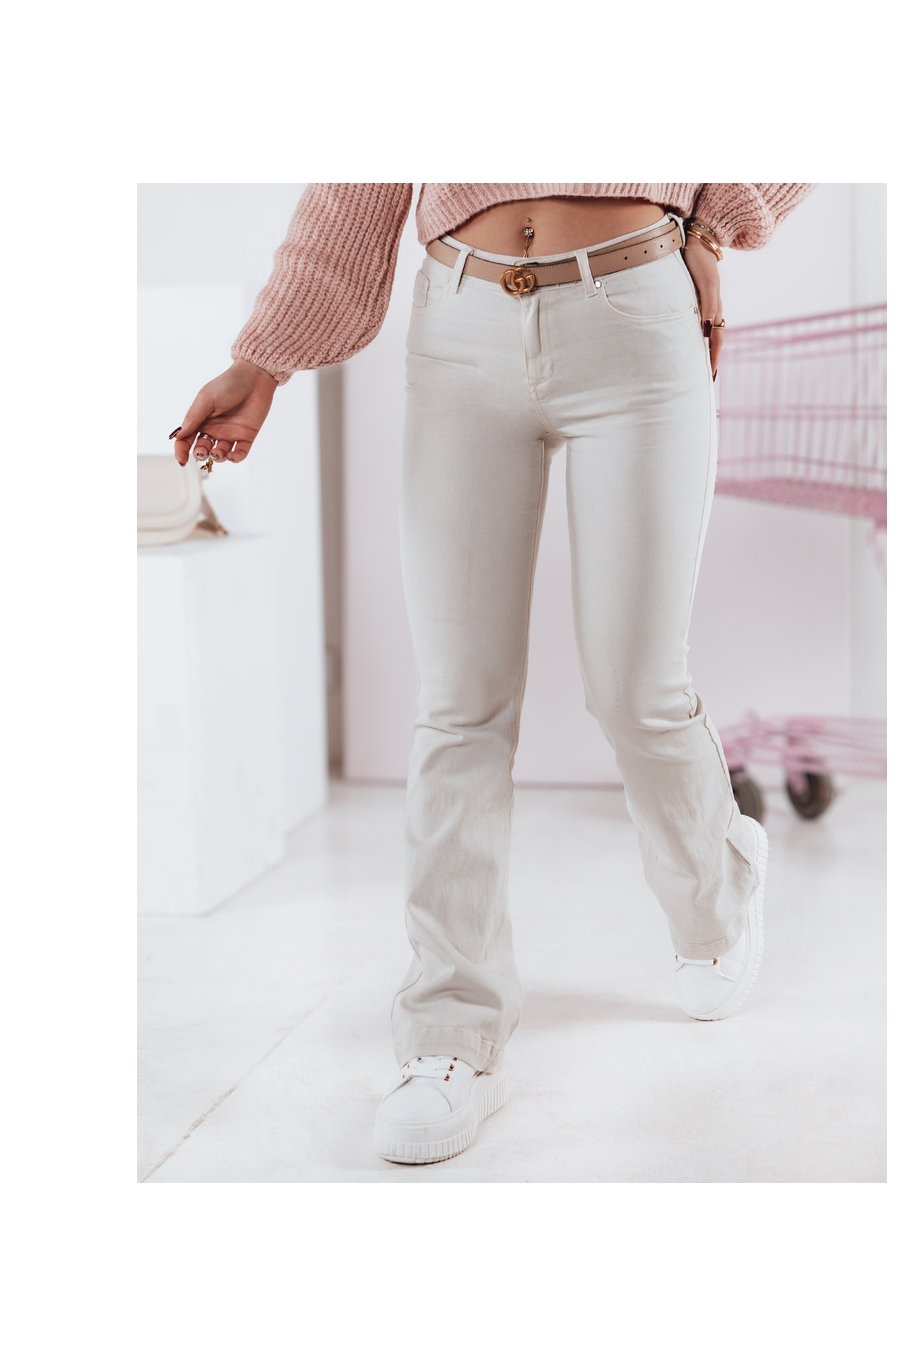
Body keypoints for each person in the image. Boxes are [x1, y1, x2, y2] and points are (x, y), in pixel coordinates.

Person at [170, 183, 816, 1166]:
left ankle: (717, 889)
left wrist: (712, 226)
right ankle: (448, 1034)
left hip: (636, 313)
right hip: (461, 325)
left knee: (635, 689)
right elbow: (360, 176)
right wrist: (263, 359)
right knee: (459, 704)